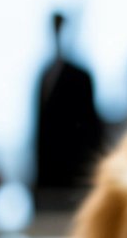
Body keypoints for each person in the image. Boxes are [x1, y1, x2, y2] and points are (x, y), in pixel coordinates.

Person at [34, 13, 103, 198]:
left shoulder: (80, 77)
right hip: (47, 178)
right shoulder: (43, 75)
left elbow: (89, 129)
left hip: (71, 179)